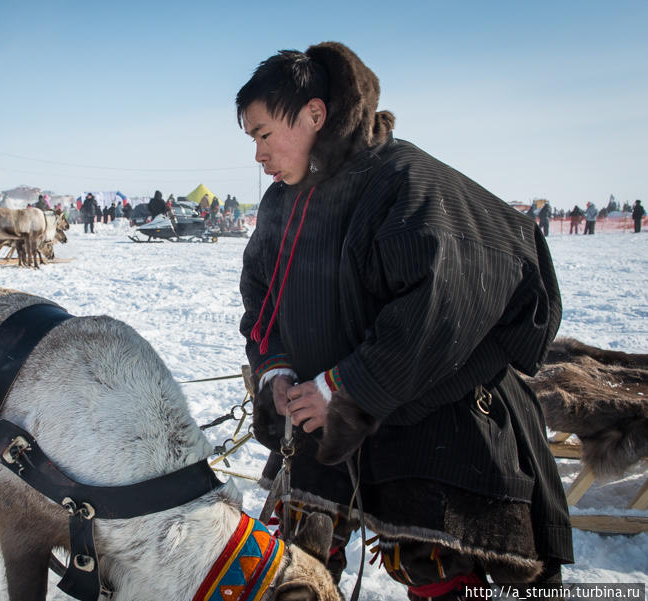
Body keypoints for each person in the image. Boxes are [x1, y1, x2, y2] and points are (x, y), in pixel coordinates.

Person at [237, 42, 572, 598]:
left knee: (437, 568)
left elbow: (438, 307)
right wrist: (275, 371)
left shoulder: (406, 182)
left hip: (438, 411)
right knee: (296, 556)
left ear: (315, 114)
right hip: (323, 413)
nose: (258, 154)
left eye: (264, 134)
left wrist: (345, 388)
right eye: (252, 139)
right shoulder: (284, 201)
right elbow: (262, 296)